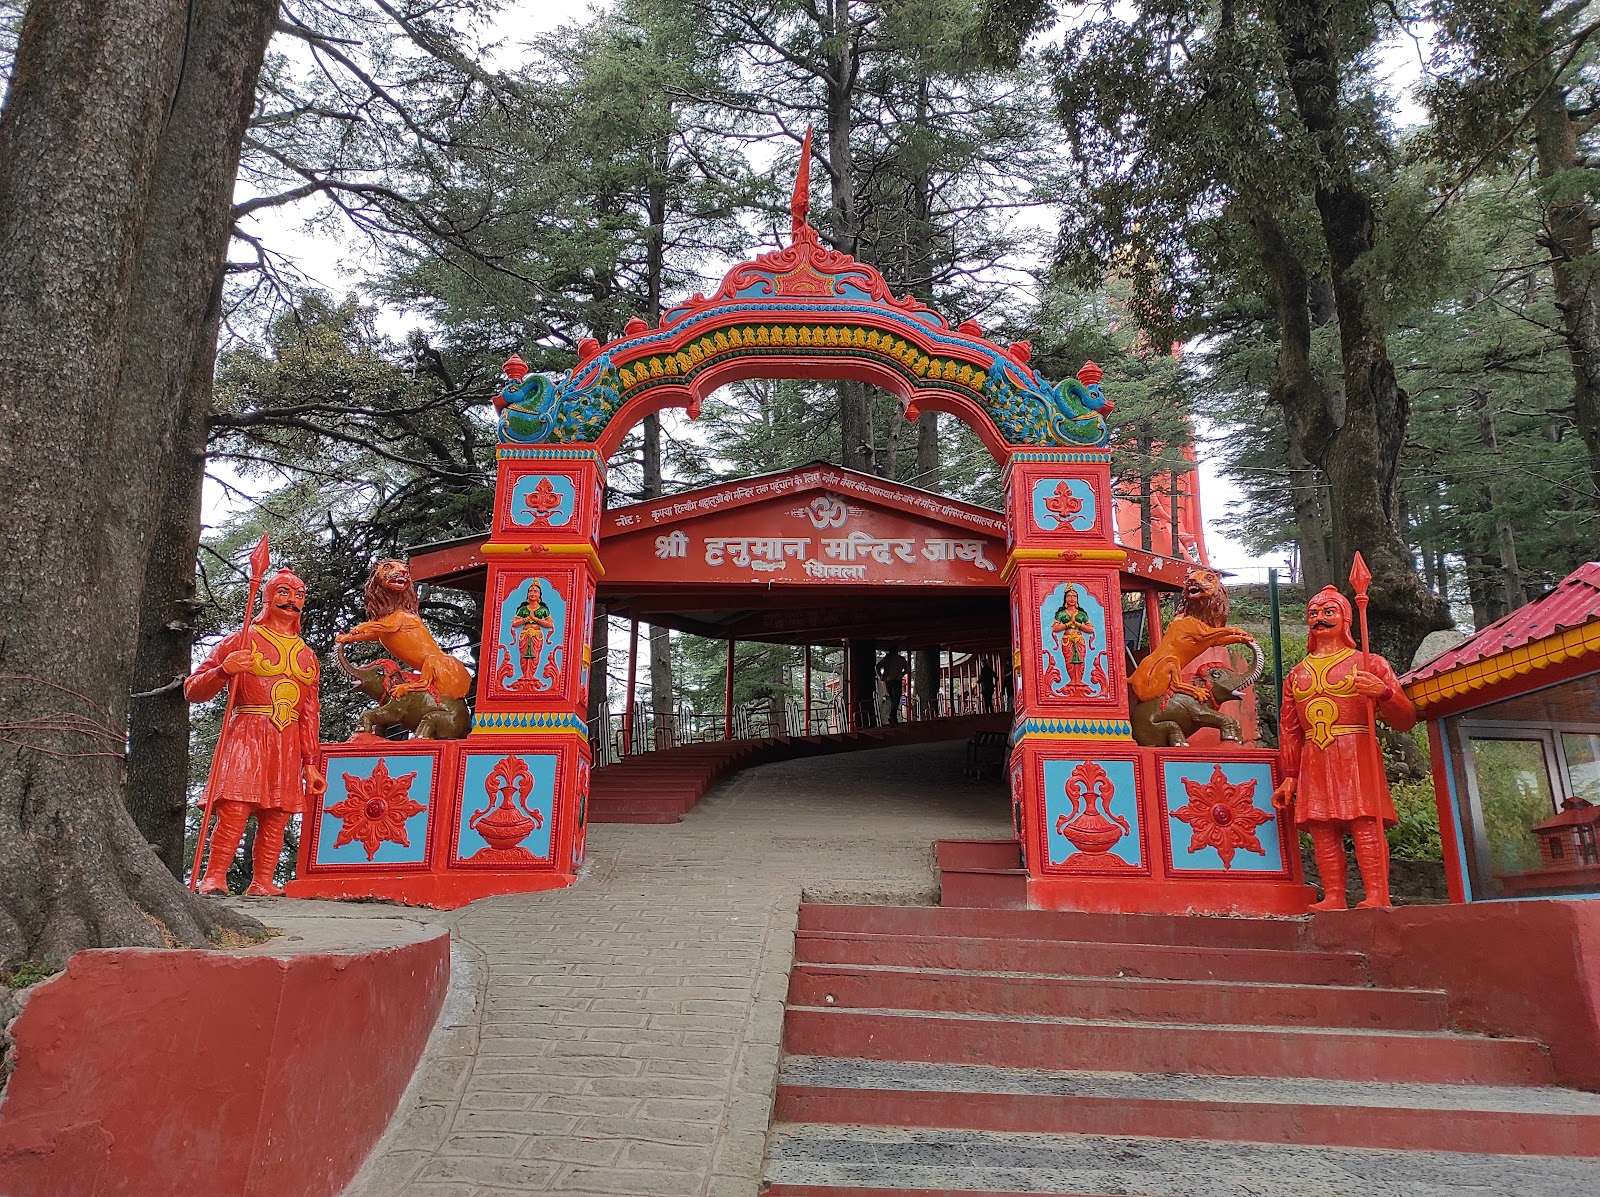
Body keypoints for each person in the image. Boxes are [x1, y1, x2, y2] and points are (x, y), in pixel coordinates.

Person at [1272, 586, 1416, 909]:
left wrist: (1385, 694)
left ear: (1346, 619)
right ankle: (1334, 895)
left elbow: (1406, 718)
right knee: (1321, 827)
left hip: (1356, 750)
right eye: (1313, 614)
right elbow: (1290, 729)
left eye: (1328, 612)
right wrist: (1290, 775)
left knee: (1365, 822)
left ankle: (1377, 893)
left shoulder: (1369, 663)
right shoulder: (1296, 676)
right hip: (1315, 755)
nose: (1319, 619)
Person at [185, 568, 326, 896]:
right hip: (248, 731)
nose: (292, 601)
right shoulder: (242, 639)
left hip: (287, 739)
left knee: (278, 813)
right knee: (235, 806)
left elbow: (309, 714)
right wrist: (223, 670)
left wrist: (310, 762)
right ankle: (214, 877)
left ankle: (262, 881)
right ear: (267, 596)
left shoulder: (307, 655)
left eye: (299, 595)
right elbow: (193, 689)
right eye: (284, 593)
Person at [878, 646, 908, 725]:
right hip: (897, 680)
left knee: (892, 698)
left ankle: (893, 718)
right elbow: (907, 669)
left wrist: (881, 676)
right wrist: (901, 674)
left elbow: (877, 667)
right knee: (896, 699)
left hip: (888, 680)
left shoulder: (887, 659)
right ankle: (892, 715)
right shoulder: (901, 659)